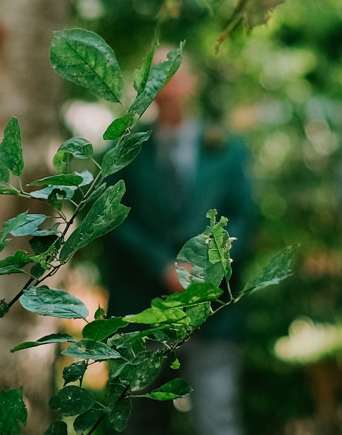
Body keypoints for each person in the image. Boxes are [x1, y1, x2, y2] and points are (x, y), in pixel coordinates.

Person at [103, 50, 254, 435]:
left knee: (218, 420)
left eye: (175, 76)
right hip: (140, 311)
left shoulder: (229, 150)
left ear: (193, 83)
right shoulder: (125, 152)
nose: (167, 87)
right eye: (158, 78)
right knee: (137, 422)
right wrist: (160, 265)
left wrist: (202, 268)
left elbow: (246, 217)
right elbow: (113, 220)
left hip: (212, 314)